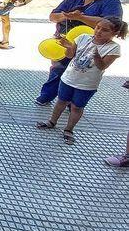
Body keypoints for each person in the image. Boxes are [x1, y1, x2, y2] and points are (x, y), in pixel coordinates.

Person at [35, 0, 123, 106]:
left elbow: (111, 23)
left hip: (89, 44)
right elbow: (53, 16)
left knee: (81, 72)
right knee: (57, 69)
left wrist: (81, 17)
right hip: (63, 40)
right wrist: (67, 16)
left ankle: (73, 103)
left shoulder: (111, 2)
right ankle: (47, 96)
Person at [36, 17, 126, 145]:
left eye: (105, 30)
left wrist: (96, 55)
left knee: (77, 107)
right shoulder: (83, 37)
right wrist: (67, 46)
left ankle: (69, 129)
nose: (99, 31)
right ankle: (51, 121)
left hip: (87, 84)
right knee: (61, 101)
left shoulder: (113, 48)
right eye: (98, 27)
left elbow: (102, 66)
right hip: (68, 78)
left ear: (115, 33)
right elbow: (70, 55)